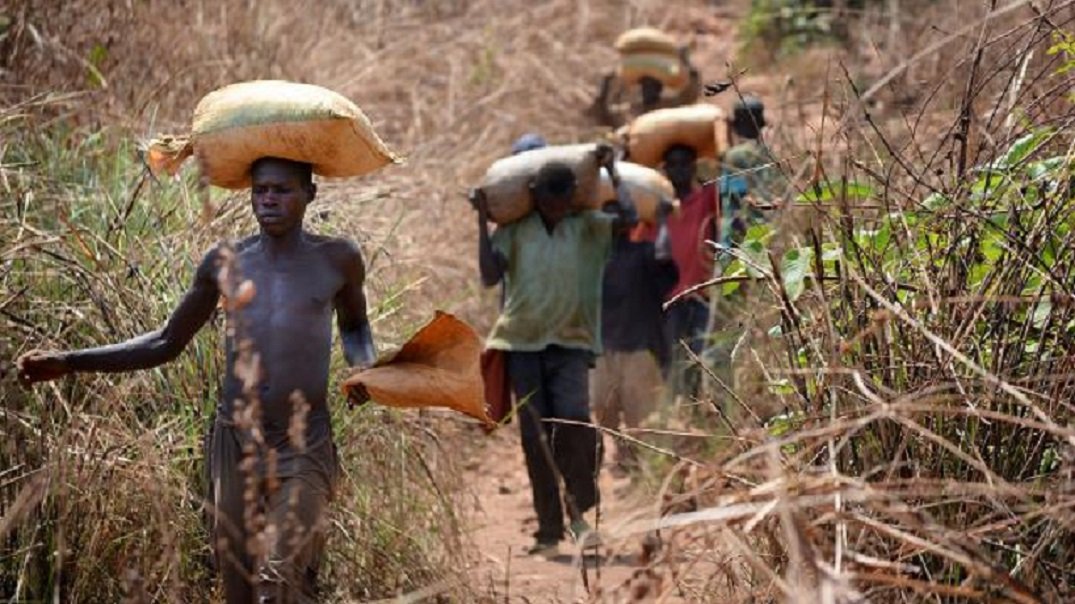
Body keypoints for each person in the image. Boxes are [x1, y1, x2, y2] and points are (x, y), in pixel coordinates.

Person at [16, 157, 376, 603]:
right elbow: (166, 341)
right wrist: (70, 361)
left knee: (277, 582)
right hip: (235, 444)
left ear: (310, 195)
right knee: (240, 587)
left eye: (282, 190)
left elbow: (356, 327)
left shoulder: (338, 258)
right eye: (260, 190)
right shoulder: (224, 263)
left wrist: (363, 368)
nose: (268, 199)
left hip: (304, 442)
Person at [472, 146, 636, 557]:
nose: (556, 209)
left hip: (572, 342)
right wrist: (480, 220)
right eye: (548, 201)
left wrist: (613, 171)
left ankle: (579, 514)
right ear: (534, 194)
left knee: (575, 424)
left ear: (572, 197)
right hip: (521, 343)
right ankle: (548, 530)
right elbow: (490, 277)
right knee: (535, 437)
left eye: (563, 201)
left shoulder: (588, 227)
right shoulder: (515, 230)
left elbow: (630, 219)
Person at [591, 197, 677, 472]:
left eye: (618, 216)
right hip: (603, 348)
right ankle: (623, 451)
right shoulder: (590, 261)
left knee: (641, 414)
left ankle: (644, 465)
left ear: (629, 223)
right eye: (606, 217)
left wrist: (663, 222)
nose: (612, 222)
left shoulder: (645, 253)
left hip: (638, 347)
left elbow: (666, 265)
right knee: (604, 411)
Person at [651, 144, 718, 401]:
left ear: (693, 167)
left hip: (701, 296)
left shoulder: (705, 198)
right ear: (665, 169)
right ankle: (682, 419)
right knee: (672, 366)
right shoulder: (657, 209)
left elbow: (726, 191)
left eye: (684, 163)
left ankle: (700, 414)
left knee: (702, 360)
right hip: (667, 302)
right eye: (673, 164)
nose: (679, 170)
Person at [718, 95, 784, 250]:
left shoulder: (734, 156)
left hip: (741, 234)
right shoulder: (769, 155)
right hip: (768, 230)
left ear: (736, 125)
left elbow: (732, 195)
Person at [588, 46, 702, 129]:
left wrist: (690, 68)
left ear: (660, 88)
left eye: (654, 85)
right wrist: (606, 86)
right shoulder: (631, 110)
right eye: (647, 85)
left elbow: (690, 95)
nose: (650, 89)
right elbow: (604, 115)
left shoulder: (669, 106)